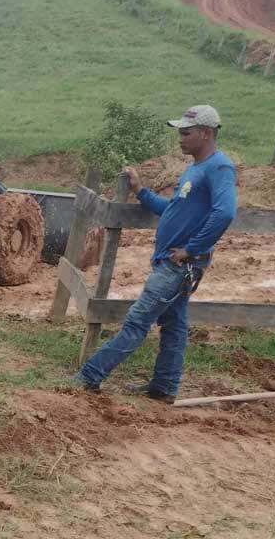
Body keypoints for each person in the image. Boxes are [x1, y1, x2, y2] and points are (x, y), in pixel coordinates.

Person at [76, 104, 237, 404]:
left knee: (137, 322)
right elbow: (173, 209)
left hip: (180, 266)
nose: (180, 138)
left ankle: (88, 377)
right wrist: (141, 192)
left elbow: (225, 212)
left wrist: (192, 249)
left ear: (205, 133)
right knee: (174, 326)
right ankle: (163, 388)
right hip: (173, 262)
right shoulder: (195, 168)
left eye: (186, 133)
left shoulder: (219, 167)